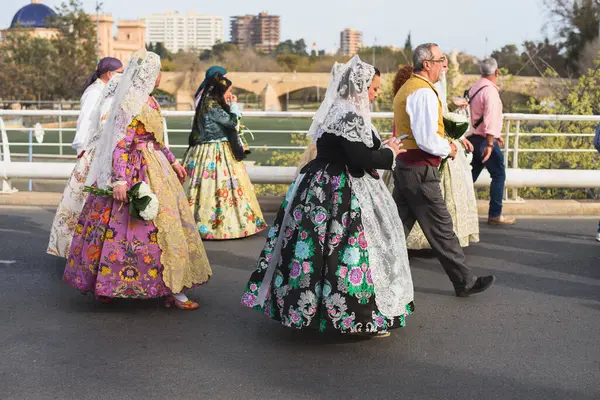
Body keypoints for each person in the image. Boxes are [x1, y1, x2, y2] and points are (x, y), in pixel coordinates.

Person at [241, 56, 414, 338]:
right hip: (341, 189)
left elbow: (349, 149)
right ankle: (353, 316)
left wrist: (383, 148)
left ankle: (308, 311)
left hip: (320, 185)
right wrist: (390, 153)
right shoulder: (350, 115)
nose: (376, 93)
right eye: (374, 88)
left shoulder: (337, 110)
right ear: (359, 87)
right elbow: (358, 158)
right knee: (347, 250)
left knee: (313, 250)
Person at [63, 49, 212, 309]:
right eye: (157, 71)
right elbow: (120, 145)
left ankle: (171, 288)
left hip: (156, 165)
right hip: (135, 168)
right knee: (131, 227)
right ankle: (110, 284)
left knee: (167, 228)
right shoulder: (129, 102)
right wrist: (120, 181)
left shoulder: (151, 101)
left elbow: (156, 139)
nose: (161, 76)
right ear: (147, 73)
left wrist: (173, 160)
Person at [392, 43, 495, 297]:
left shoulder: (408, 88)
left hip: (405, 167)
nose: (444, 65)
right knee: (441, 228)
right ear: (427, 64)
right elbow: (427, 138)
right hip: (420, 171)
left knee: (394, 229)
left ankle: (373, 272)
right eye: (441, 60)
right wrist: (447, 147)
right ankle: (464, 281)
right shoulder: (425, 92)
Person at [386, 63, 479, 250]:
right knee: (437, 220)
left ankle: (386, 253)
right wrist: (449, 148)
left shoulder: (405, 94)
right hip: (421, 163)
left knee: (403, 217)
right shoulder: (421, 93)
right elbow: (427, 136)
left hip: (406, 161)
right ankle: (462, 274)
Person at [47, 57, 123, 258]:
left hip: (101, 150)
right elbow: (85, 121)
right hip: (92, 151)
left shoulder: (106, 91)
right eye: (120, 72)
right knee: (82, 199)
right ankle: (77, 246)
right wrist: (81, 149)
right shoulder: (94, 92)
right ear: (110, 74)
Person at [183, 71, 266, 240]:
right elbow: (233, 122)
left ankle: (196, 221)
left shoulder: (206, 103)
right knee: (223, 187)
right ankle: (218, 226)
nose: (230, 94)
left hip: (202, 151)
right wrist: (234, 106)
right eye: (228, 91)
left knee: (201, 189)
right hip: (216, 151)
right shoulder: (212, 106)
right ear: (220, 91)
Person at [467, 58, 516, 225]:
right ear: (497, 72)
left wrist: (495, 134)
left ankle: (456, 210)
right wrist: (490, 142)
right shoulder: (491, 92)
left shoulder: (476, 87)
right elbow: (489, 118)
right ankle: (495, 214)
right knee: (498, 174)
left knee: (469, 177)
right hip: (484, 141)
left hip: (474, 138)